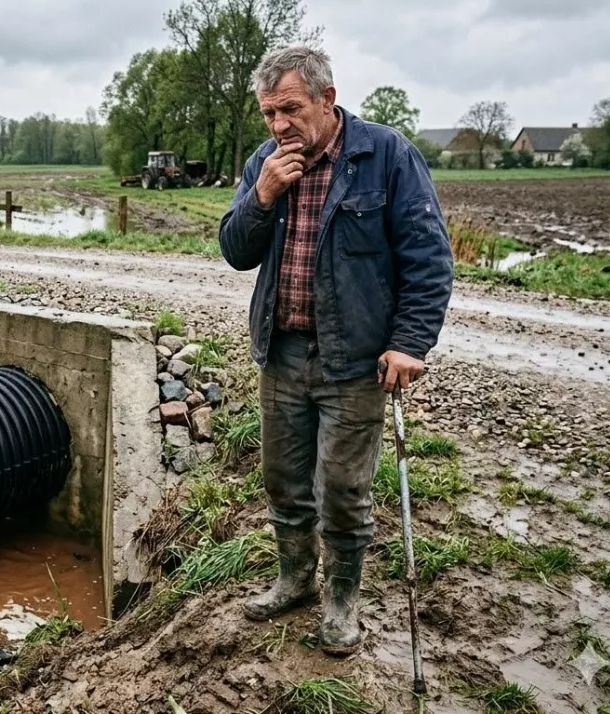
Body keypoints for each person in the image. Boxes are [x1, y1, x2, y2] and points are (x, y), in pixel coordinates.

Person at [218, 45, 453, 655]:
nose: (278, 126)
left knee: (343, 490)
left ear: (327, 97)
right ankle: (294, 579)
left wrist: (409, 343)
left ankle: (341, 600)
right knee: (282, 481)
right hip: (283, 352)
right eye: (269, 114)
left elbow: (428, 259)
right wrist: (261, 196)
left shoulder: (386, 155)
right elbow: (237, 250)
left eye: (290, 109)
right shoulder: (263, 164)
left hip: (355, 361)